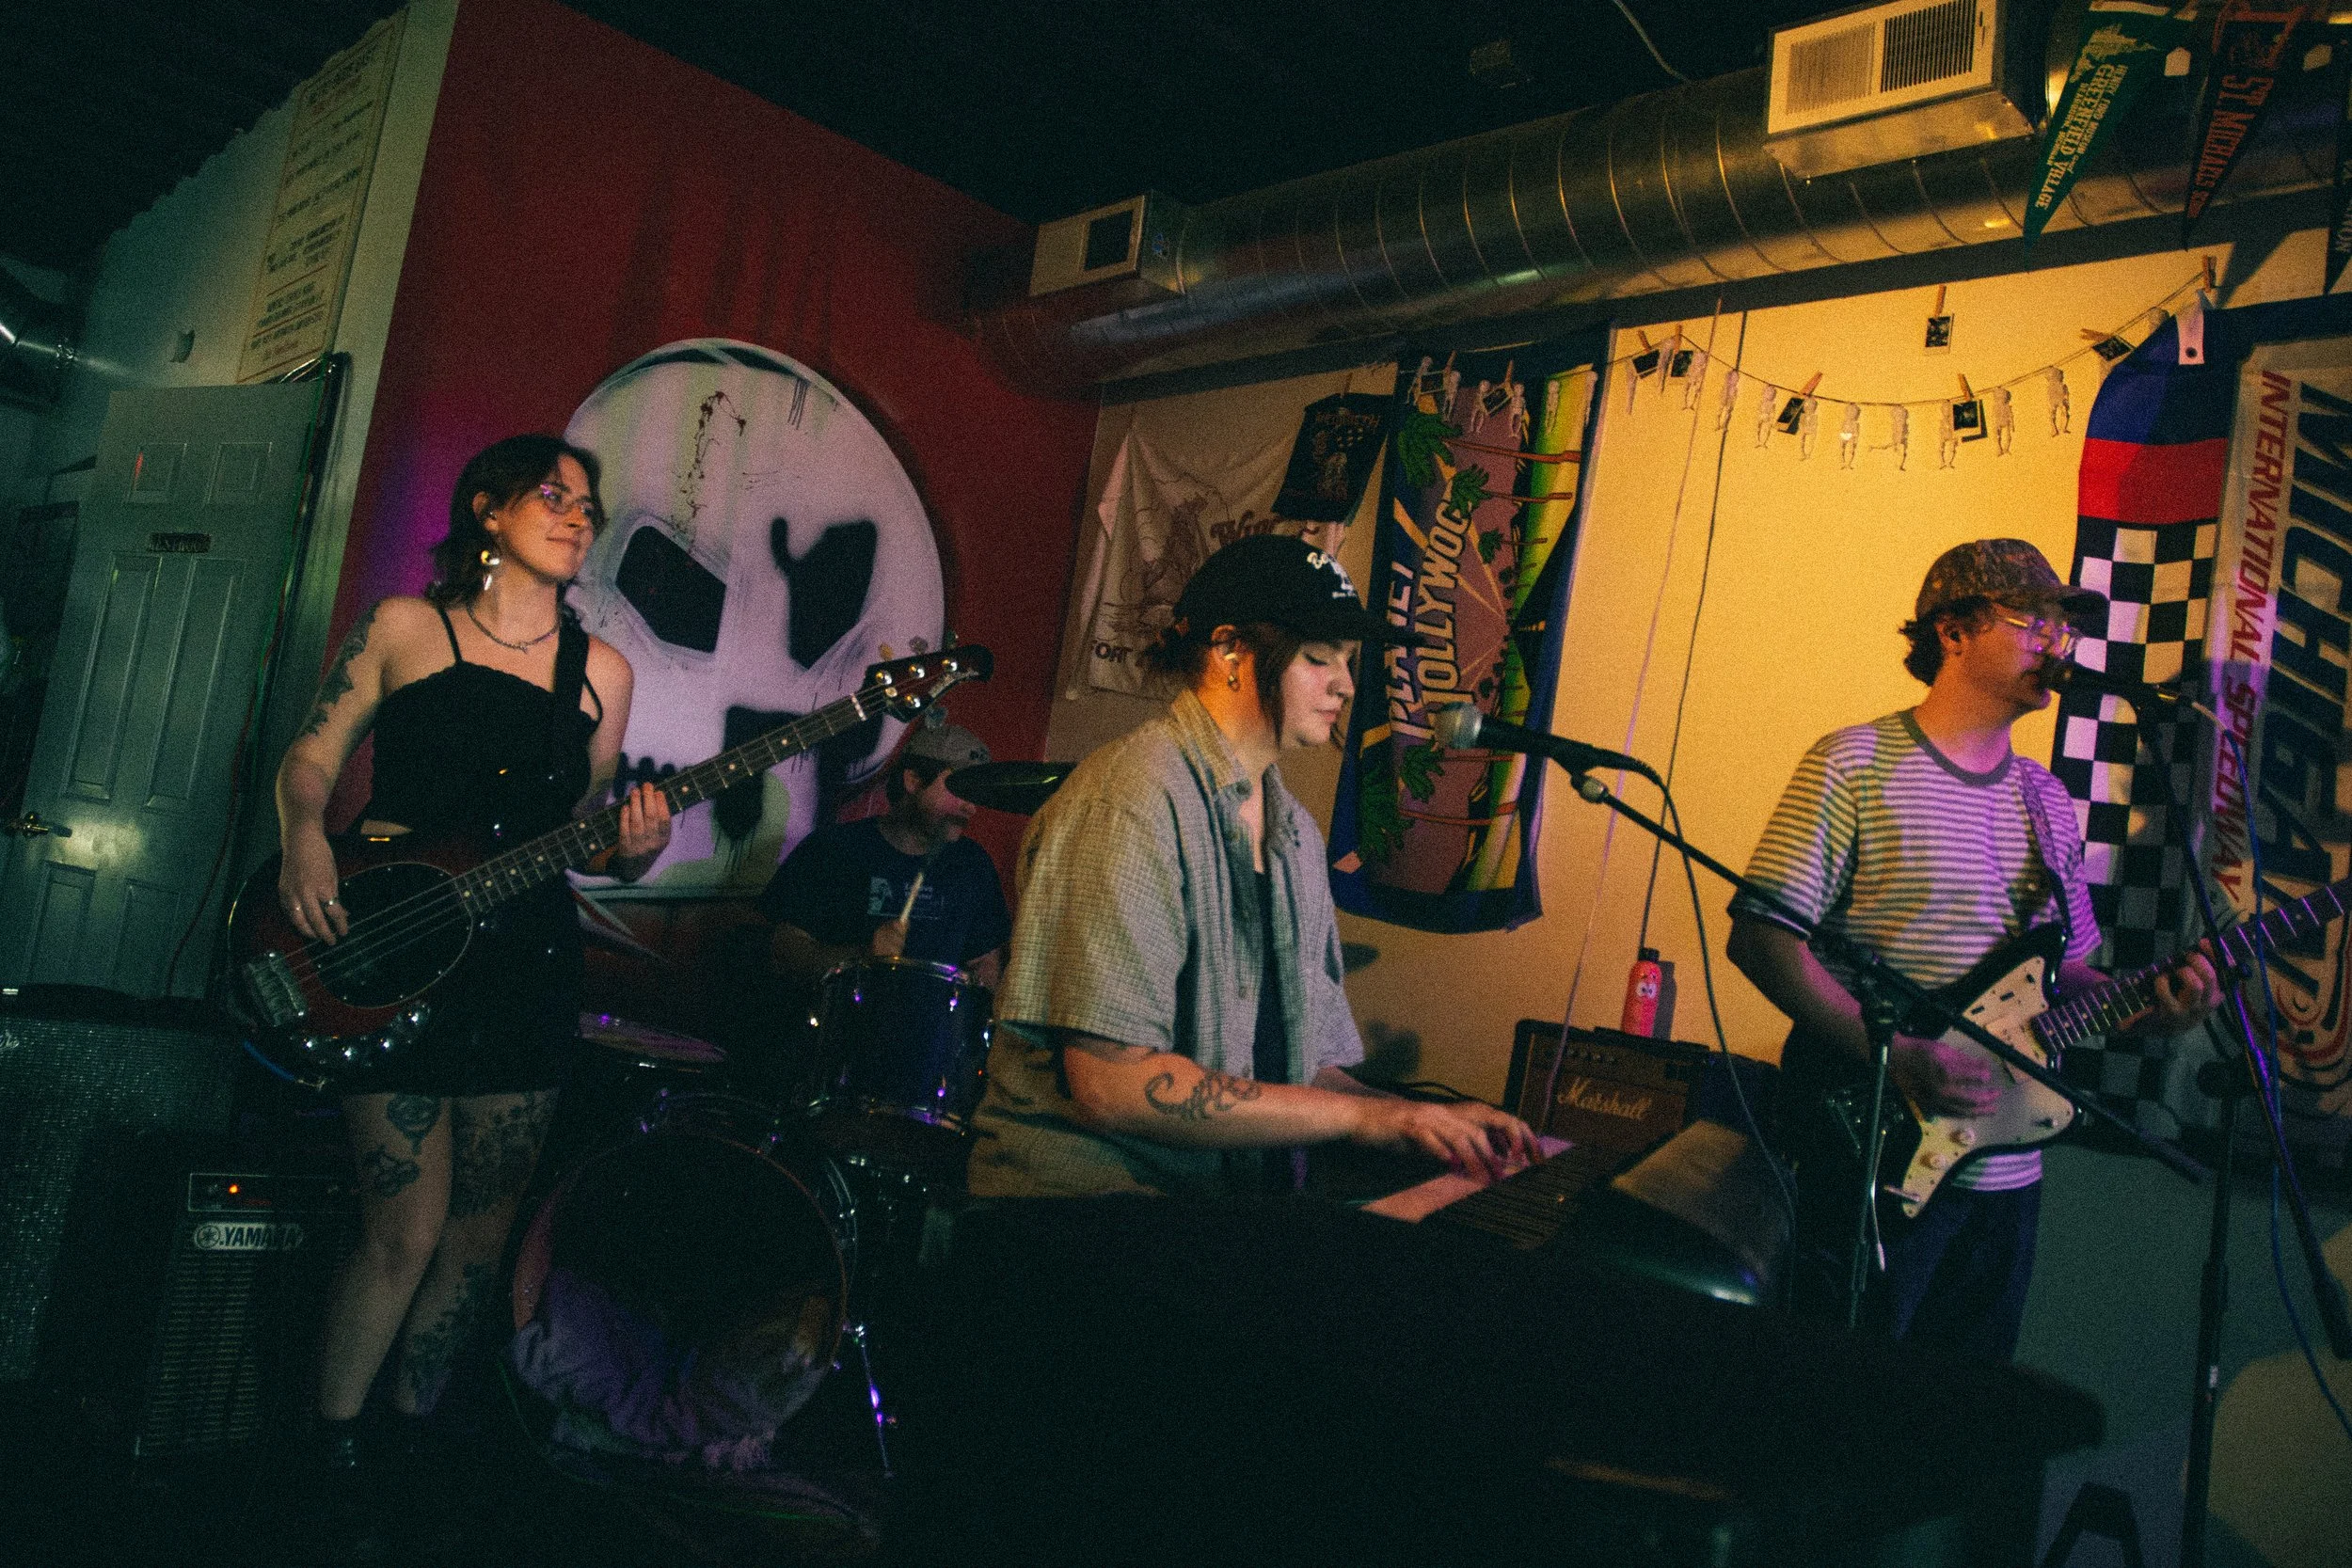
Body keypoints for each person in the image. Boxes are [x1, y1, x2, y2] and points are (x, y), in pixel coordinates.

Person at [273, 435, 673, 1516]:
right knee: (401, 1225)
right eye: (555, 495)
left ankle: (408, 1431)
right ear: (488, 511)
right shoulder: (409, 626)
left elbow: (587, 835)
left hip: (525, 956)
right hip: (395, 940)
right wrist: (307, 830)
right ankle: (331, 1441)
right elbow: (309, 756)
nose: (578, 515)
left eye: (590, 504)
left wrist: (633, 845)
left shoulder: (602, 671)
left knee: (480, 1233)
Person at [1725, 538, 2219, 1360]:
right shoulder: (1854, 763)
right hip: (1874, 1165)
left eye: (2065, 630)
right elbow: (1763, 939)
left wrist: (2152, 1010)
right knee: (1838, 1408)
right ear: (1952, 632)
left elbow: (2066, 977)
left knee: (1957, 1431)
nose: (2057, 645)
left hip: (2008, 1179)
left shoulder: (2047, 801)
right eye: (2036, 622)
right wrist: (1898, 1055)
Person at [966, 532, 1537, 1199]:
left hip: (1211, 1209)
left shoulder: (1294, 832)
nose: (1346, 685)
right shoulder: (1131, 799)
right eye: (1320, 657)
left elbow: (1304, 1069)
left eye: (1348, 661)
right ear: (1231, 648)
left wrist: (1422, 1119)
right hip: (1080, 1215)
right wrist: (1366, 1116)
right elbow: (1111, 1085)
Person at [756, 720, 1009, 996]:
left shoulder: (972, 864)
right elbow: (784, 953)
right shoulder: (833, 849)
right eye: (959, 789)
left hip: (933, 1031)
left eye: (974, 794)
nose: (970, 807)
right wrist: (862, 956)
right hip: (841, 1027)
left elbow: (985, 961)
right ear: (913, 780)